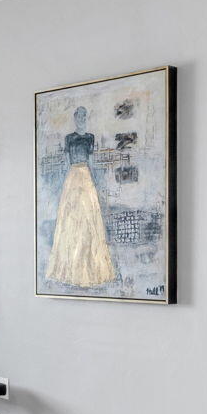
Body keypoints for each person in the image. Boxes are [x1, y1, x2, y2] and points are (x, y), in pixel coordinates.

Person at [47, 105, 114, 287]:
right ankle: (69, 267)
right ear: (75, 118)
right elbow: (65, 161)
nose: (81, 119)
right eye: (79, 116)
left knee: (89, 218)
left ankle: (90, 267)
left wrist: (95, 181)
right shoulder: (69, 138)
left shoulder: (90, 137)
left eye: (84, 116)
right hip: (73, 177)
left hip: (85, 176)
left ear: (86, 118)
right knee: (71, 218)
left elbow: (91, 161)